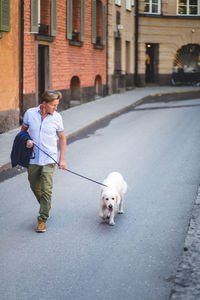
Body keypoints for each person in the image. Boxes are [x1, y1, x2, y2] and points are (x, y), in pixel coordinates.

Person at [21, 90, 67, 233]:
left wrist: (62, 159)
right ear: (44, 104)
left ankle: (42, 219)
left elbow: (62, 138)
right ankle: (46, 205)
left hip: (49, 159)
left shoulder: (57, 118)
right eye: (53, 105)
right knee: (35, 187)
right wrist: (27, 140)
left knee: (47, 190)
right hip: (33, 158)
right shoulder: (30, 113)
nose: (56, 108)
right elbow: (22, 132)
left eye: (57, 105)